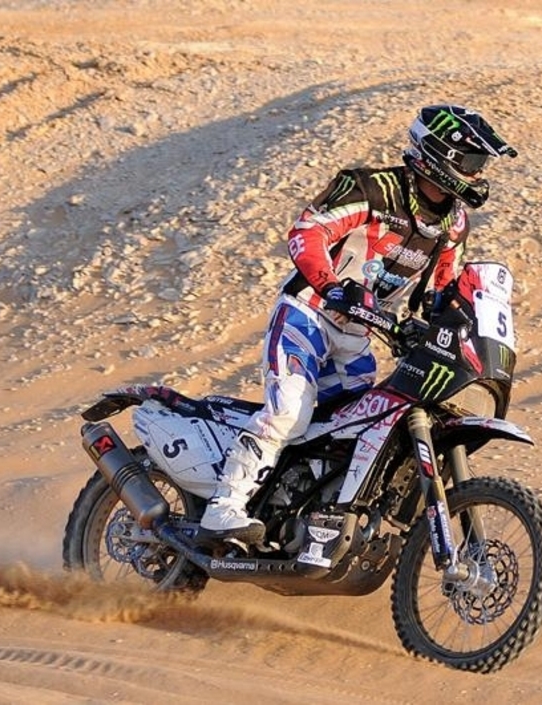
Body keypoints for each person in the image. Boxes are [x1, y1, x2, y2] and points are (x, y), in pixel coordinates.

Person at [198, 104, 518, 542]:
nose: (479, 173)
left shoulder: (454, 222)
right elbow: (307, 233)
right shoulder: (370, 189)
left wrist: (450, 326)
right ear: (439, 155)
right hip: (308, 312)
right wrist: (331, 286)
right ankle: (224, 507)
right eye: (473, 161)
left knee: (356, 433)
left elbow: (443, 289)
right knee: (289, 411)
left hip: (358, 334)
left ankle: (305, 522)